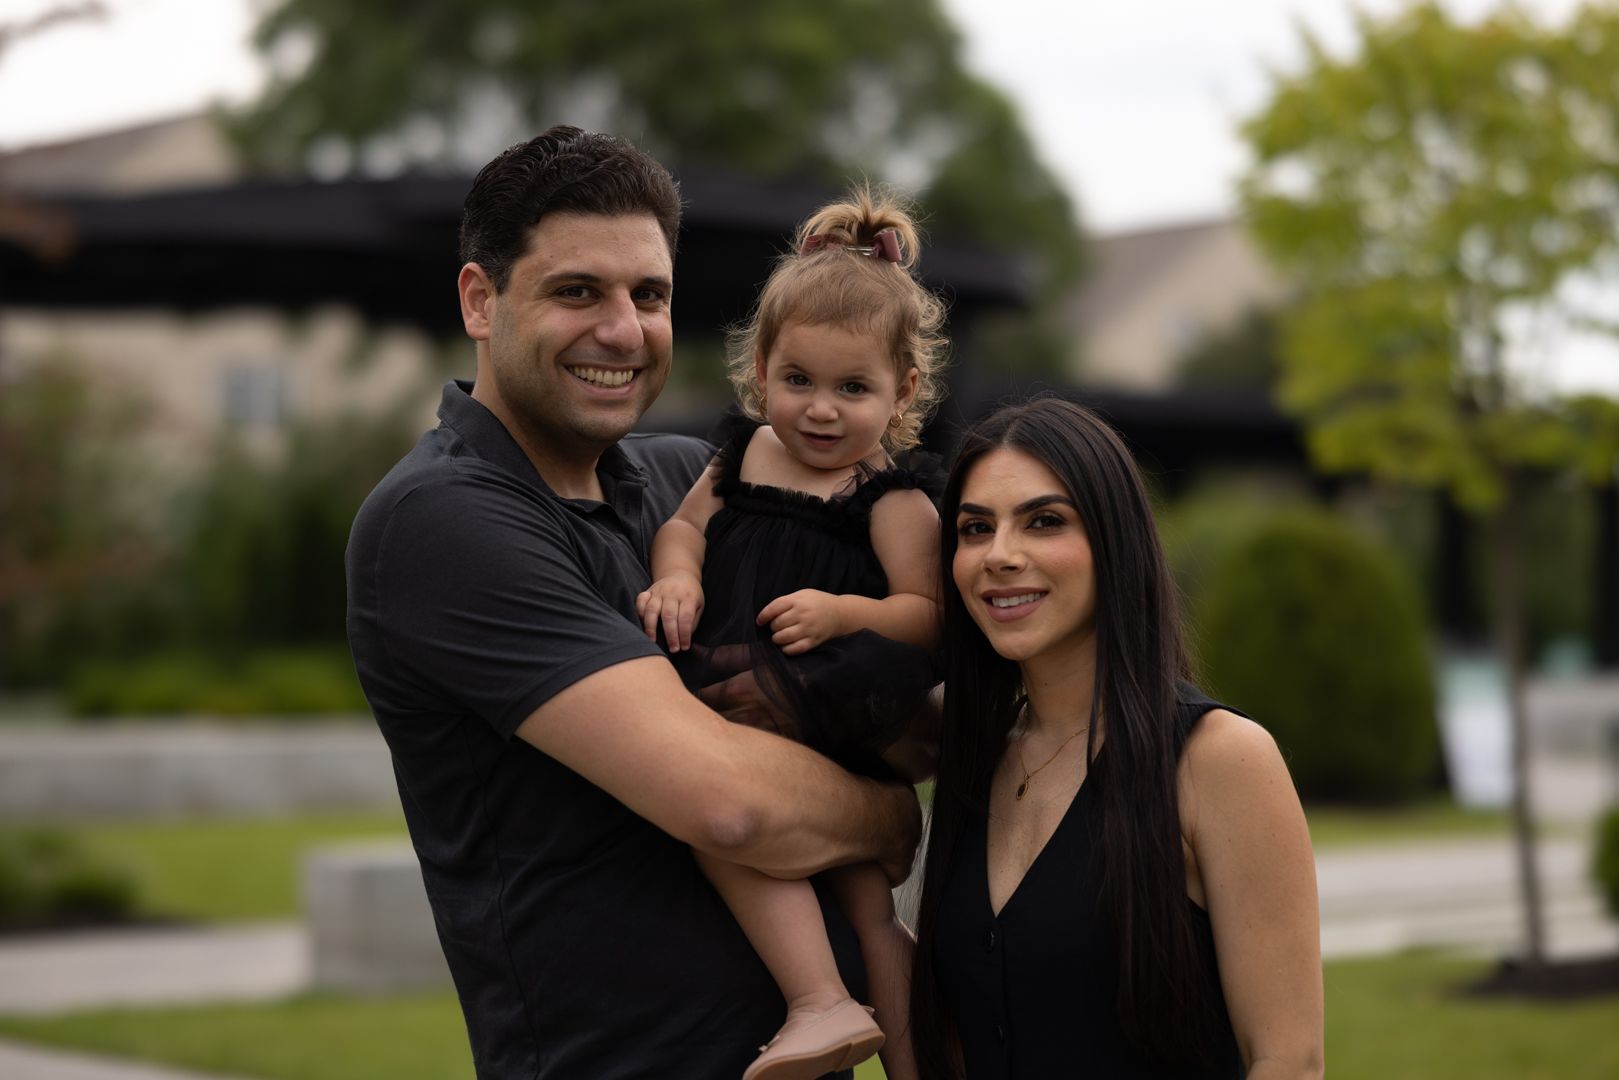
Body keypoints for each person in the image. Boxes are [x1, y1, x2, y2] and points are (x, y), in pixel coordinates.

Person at [345, 126, 922, 1080]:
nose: (623, 330)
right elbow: (729, 804)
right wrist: (891, 817)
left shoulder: (686, 483)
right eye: (578, 291)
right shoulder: (440, 521)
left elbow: (907, 706)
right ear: (481, 301)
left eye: (648, 295)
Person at [909, 398, 1324, 1079]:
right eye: (974, 529)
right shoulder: (973, 760)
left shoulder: (1219, 759)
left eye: (1044, 522)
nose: (999, 555)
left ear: (1114, 539)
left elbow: (1288, 1061)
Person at [637, 188, 945, 1080]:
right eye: (798, 381)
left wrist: (847, 612)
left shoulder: (889, 498)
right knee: (847, 887)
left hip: (824, 691)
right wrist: (677, 573)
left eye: (854, 389)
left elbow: (926, 614)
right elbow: (684, 527)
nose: (820, 410)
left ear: (902, 393)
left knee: (720, 813)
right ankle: (832, 1007)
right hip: (747, 677)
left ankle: (828, 1007)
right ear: (760, 368)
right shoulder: (740, 458)